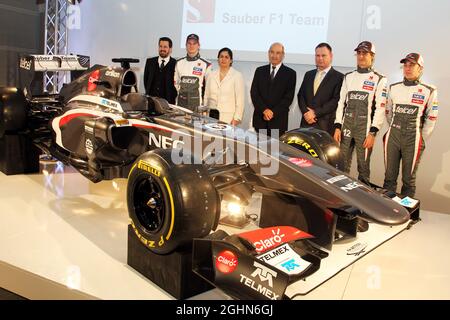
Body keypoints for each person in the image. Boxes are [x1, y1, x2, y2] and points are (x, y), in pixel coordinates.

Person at [383, 53, 438, 198]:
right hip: (393, 137)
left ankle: (406, 214)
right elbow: (388, 112)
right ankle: (387, 211)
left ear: (420, 68)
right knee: (389, 178)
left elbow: (431, 118)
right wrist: (395, 128)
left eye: (412, 65)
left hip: (413, 139)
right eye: (405, 65)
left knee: (408, 180)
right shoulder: (393, 87)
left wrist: (420, 137)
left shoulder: (429, 90)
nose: (407, 68)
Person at [333, 41, 387, 185]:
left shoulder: (379, 79)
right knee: (341, 165)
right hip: (346, 127)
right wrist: (338, 126)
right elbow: (341, 103)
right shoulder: (348, 77)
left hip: (365, 130)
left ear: (372, 56)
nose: (361, 56)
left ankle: (362, 203)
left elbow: (381, 108)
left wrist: (373, 132)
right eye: (359, 53)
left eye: (365, 53)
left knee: (363, 168)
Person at [250, 42, 296, 136]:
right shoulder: (260, 71)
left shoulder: (290, 73)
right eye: (272, 52)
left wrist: (272, 112)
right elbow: (254, 93)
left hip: (278, 122)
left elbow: (288, 98)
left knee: (273, 149)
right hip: (260, 119)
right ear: (268, 53)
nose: (274, 55)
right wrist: (264, 110)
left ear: (283, 55)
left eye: (278, 53)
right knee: (259, 149)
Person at [297, 43, 343, 135]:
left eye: (323, 55)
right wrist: (306, 113)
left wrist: (314, 113)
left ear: (331, 56)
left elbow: (335, 101)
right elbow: (300, 95)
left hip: (325, 126)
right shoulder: (308, 74)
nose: (320, 58)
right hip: (306, 123)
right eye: (317, 55)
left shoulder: (339, 77)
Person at [204, 48, 245, 125]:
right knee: (211, 137)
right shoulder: (211, 75)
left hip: (228, 118)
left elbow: (240, 100)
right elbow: (206, 96)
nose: (223, 59)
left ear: (231, 60)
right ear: (218, 59)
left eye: (226, 57)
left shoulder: (237, 76)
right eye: (221, 56)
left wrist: (236, 118)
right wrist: (204, 114)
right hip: (211, 116)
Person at [174, 33, 211, 110]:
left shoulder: (206, 64)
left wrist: (205, 106)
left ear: (198, 45)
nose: (191, 46)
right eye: (189, 43)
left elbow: (208, 88)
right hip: (180, 104)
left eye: (194, 43)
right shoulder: (178, 62)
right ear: (186, 45)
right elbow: (176, 83)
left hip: (197, 105)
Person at [143, 37, 177, 104]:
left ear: (170, 49)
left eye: (165, 47)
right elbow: (146, 81)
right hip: (151, 102)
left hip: (168, 104)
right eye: (160, 46)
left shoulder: (175, 63)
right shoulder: (149, 62)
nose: (162, 49)